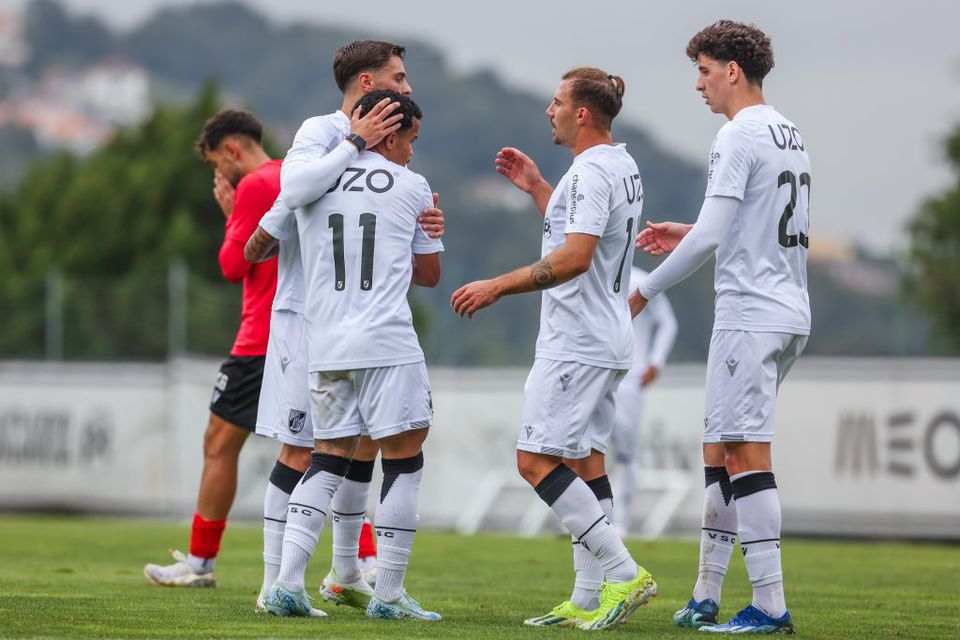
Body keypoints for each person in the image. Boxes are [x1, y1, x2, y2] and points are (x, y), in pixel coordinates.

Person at [451, 67, 656, 631]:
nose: (550, 109)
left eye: (558, 100)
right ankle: (588, 598)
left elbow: (575, 258)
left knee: (535, 461)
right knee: (585, 460)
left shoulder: (591, 173)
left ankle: (624, 574)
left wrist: (497, 285)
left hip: (577, 342)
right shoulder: (621, 164)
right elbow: (589, 236)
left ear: (582, 113)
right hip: (607, 337)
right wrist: (541, 189)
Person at [244, 40, 443, 615]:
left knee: (332, 456)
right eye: (397, 81)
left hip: (327, 336)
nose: (404, 91)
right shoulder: (383, 169)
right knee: (398, 459)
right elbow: (428, 273)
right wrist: (426, 220)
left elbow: (286, 208)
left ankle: (302, 580)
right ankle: (388, 593)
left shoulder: (327, 184)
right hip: (372, 335)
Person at [630, 20, 810, 635]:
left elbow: (714, 234)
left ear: (733, 70)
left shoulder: (735, 134)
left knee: (744, 454)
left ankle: (770, 606)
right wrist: (690, 231)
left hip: (750, 314)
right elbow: (746, 222)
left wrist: (644, 289)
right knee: (719, 452)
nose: (699, 85)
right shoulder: (790, 132)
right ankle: (706, 593)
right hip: (787, 310)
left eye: (704, 71)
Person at [143, 109, 280, 587]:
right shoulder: (292, 174)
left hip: (260, 337)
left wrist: (231, 217)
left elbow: (231, 265)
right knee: (329, 451)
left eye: (215, 164)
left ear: (232, 150)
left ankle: (201, 562)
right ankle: (363, 559)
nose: (217, 175)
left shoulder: (255, 186)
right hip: (301, 335)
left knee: (219, 443)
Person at [610, 266, 677, 536]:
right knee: (583, 447)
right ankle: (586, 522)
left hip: (629, 378)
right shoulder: (588, 270)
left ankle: (620, 520)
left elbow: (668, 322)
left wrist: (656, 361)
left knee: (625, 453)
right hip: (592, 372)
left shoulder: (640, 280)